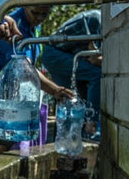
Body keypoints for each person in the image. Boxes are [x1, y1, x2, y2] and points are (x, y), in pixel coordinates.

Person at [0, 0, 74, 150]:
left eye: (44, 14)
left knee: (15, 125)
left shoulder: (34, 26)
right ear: (25, 5)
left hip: (9, 78)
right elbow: (24, 68)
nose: (39, 18)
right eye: (36, 13)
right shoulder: (13, 25)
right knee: (2, 129)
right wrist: (55, 90)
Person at [41, 9, 102, 140]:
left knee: (68, 99)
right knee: (96, 74)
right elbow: (95, 59)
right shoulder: (97, 20)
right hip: (54, 54)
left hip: (62, 54)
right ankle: (91, 125)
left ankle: (63, 143)